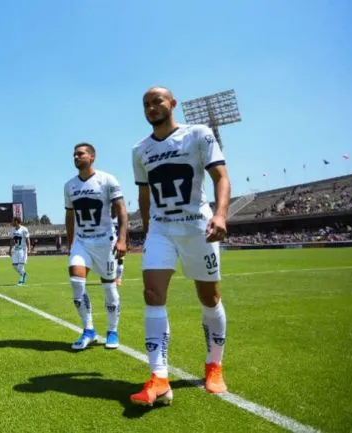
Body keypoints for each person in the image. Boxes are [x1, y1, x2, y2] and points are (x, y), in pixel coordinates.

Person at [130, 86, 231, 406]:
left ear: (172, 104)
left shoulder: (198, 134)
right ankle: (159, 377)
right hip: (161, 230)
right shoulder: (140, 150)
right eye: (146, 104)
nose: (151, 108)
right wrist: (148, 232)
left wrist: (220, 214)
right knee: (152, 294)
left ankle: (214, 365)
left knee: (209, 297)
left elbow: (221, 178)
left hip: (197, 228)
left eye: (157, 101)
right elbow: (144, 195)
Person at [63, 143, 128, 351]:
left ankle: (112, 330)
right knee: (76, 282)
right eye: (74, 154)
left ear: (92, 157)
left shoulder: (107, 180)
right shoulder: (69, 185)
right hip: (81, 242)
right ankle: (88, 329)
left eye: (80, 153)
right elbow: (70, 215)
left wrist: (123, 239)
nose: (76, 156)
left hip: (104, 241)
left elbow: (122, 210)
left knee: (109, 287)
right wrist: (71, 241)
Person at [9, 217, 30, 286]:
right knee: (14, 265)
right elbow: (12, 240)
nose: (12, 222)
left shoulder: (24, 229)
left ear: (17, 221)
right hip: (16, 249)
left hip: (23, 250)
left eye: (13, 221)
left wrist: (29, 249)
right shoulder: (12, 230)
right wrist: (10, 249)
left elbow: (27, 239)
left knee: (20, 266)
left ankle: (21, 281)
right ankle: (24, 274)